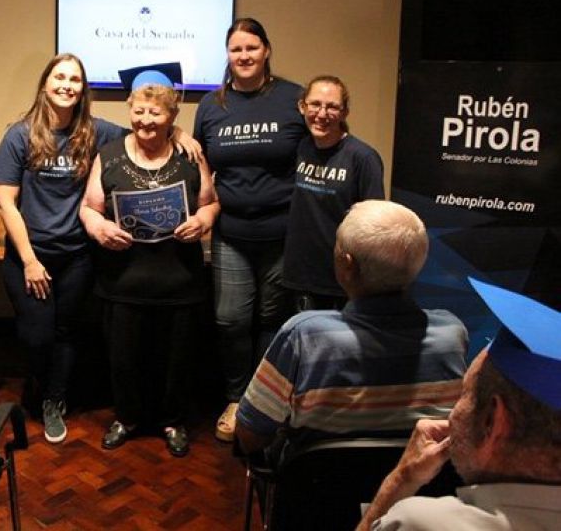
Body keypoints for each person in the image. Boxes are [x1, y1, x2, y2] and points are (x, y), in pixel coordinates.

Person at [0, 54, 201, 445]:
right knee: (37, 337)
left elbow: (147, 125)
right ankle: (37, 389)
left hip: (76, 254)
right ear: (45, 83)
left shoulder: (96, 132)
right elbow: (6, 201)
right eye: (59, 77)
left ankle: (55, 399)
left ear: (82, 88)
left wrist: (180, 136)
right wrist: (29, 260)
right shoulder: (19, 135)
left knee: (67, 331)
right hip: (30, 254)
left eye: (75, 79)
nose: (67, 85)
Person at [236, 200, 468, 461]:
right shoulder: (453, 333)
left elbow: (249, 435)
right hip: (416, 496)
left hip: (318, 494)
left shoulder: (304, 335)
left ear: (347, 264)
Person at [80, 63, 220, 457]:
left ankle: (173, 421)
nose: (146, 120)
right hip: (122, 280)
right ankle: (126, 417)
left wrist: (202, 220)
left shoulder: (191, 156)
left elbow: (210, 202)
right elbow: (89, 207)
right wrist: (99, 228)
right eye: (139, 111)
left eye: (155, 113)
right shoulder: (107, 155)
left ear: (172, 116)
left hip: (179, 280)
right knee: (123, 357)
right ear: (130, 111)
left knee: (176, 358)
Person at [359, 278, 561, 531]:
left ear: (492, 421)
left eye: (464, 394)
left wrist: (400, 479)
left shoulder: (420, 523)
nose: (454, 413)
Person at [193, 17, 307, 443]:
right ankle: (236, 399)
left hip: (282, 234)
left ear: (266, 50)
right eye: (236, 49)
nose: (243, 56)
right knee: (229, 320)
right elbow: (201, 162)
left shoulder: (293, 98)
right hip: (232, 235)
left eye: (251, 48)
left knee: (272, 319)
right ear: (228, 55)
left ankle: (265, 402)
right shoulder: (212, 105)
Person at [282, 75, 385, 311]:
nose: (322, 113)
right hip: (299, 276)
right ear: (302, 107)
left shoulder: (363, 158)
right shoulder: (301, 147)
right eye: (315, 104)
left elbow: (373, 225)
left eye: (332, 106)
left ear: (345, 112)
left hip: (341, 282)